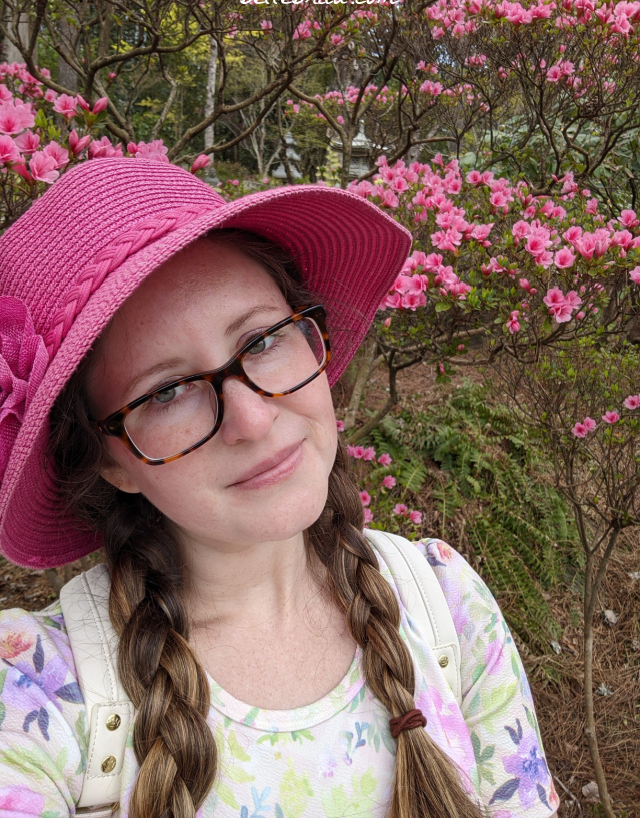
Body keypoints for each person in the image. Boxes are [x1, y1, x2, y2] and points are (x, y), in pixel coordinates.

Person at [0, 157, 559, 818]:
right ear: (109, 461)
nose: (253, 418)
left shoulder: (445, 601)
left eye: (263, 339)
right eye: (168, 390)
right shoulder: (39, 694)